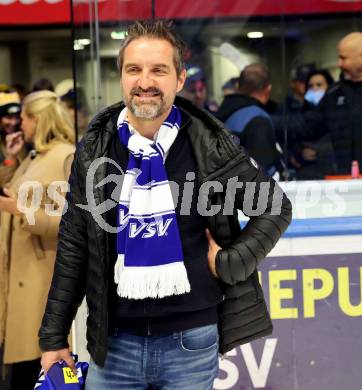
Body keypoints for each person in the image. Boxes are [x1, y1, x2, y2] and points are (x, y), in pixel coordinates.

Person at [39, 20, 292, 389]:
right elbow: (75, 243)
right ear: (122, 77)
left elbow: (275, 207)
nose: (145, 82)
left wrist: (231, 261)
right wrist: (53, 336)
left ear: (179, 78)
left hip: (190, 342)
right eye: (134, 70)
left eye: (159, 69)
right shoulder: (96, 149)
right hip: (114, 342)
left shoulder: (208, 143)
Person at [0, 90, 75, 390]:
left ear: (37, 120)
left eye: (26, 118)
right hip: (20, 274)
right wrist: (10, 159)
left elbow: (72, 221)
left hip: (41, 279)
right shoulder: (34, 156)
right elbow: (14, 191)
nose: (21, 124)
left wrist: (21, 212)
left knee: (35, 368)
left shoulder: (65, 157)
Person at [285, 32, 362, 174]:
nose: (339, 63)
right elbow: (309, 126)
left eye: (343, 58)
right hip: (345, 182)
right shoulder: (334, 93)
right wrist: (270, 122)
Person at [216, 63, 283, 177]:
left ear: (238, 86)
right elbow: (262, 171)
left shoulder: (221, 113)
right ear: (268, 89)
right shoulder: (258, 120)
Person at [293, 69, 336, 180]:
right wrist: (301, 152)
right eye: (311, 86)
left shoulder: (338, 111)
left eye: (319, 85)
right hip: (308, 175)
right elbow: (294, 141)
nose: (315, 88)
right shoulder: (302, 113)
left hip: (333, 173)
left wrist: (320, 153)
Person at [0, 91, 21, 164]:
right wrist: (10, 158)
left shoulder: (24, 139)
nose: (14, 122)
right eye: (9, 117)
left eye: (17, 117)